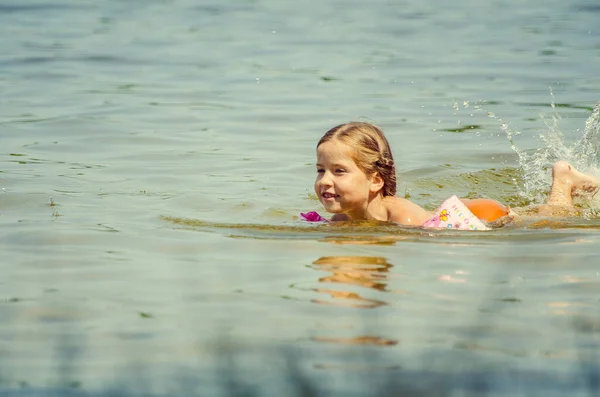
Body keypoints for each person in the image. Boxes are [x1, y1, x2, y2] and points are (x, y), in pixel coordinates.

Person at [309, 121, 599, 227]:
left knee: (556, 215)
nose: (325, 181)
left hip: (483, 214)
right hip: (462, 212)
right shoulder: (341, 218)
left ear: (375, 180)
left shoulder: (402, 215)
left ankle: (563, 178)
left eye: (339, 171)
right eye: (321, 170)